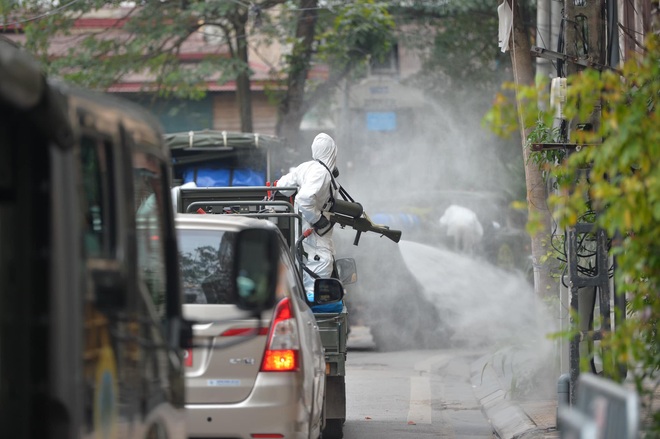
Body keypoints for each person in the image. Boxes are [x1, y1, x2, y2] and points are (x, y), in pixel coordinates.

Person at [276, 133, 343, 312]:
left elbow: (281, 186)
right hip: (314, 233)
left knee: (306, 268)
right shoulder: (321, 173)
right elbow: (304, 198)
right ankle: (314, 315)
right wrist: (317, 219)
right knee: (321, 267)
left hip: (304, 230)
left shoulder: (305, 167)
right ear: (331, 152)